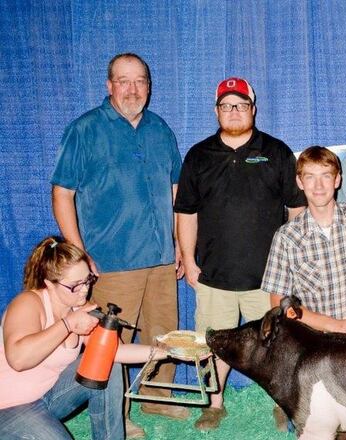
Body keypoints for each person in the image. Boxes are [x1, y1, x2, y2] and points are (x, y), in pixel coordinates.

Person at [50, 52, 185, 434]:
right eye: (123, 81)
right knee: (110, 341)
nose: (132, 89)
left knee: (164, 332)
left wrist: (177, 240)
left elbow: (175, 189)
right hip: (110, 260)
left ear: (149, 86)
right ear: (109, 86)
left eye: (139, 80)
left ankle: (159, 399)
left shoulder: (161, 130)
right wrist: (79, 254)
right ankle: (117, 414)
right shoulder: (85, 129)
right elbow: (62, 194)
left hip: (159, 257)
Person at [174, 77, 305, 430]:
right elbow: (185, 211)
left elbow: (296, 209)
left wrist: (291, 265)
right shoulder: (199, 155)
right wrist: (188, 259)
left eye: (241, 105)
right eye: (227, 105)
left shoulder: (276, 152)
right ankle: (214, 405)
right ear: (216, 111)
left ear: (253, 109)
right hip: (214, 276)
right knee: (212, 343)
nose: (234, 112)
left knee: (277, 345)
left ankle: (283, 402)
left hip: (268, 279)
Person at [0, 237, 171, 440]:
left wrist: (168, 352)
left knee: (108, 362)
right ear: (49, 284)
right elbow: (18, 359)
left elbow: (115, 351)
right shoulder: (28, 303)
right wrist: (68, 324)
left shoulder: (80, 306)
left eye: (88, 280)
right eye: (75, 285)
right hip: (9, 407)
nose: (84, 289)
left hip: (50, 397)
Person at [262, 146, 346, 335]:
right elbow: (279, 305)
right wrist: (333, 324)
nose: (318, 186)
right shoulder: (286, 237)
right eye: (310, 177)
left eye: (326, 176)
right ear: (300, 182)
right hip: (316, 348)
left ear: (337, 180)